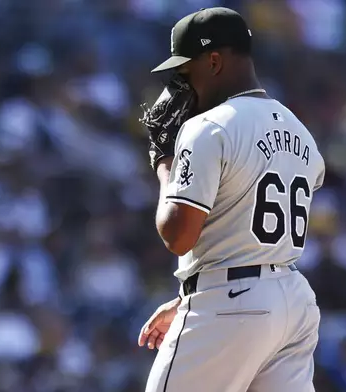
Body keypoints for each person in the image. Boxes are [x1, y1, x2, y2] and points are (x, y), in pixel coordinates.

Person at [137, 7, 325, 392]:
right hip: (291, 301)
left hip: (232, 302)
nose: (181, 85)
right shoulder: (299, 130)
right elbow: (242, 221)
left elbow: (178, 236)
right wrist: (191, 295)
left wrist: (163, 161)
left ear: (215, 60)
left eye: (185, 71)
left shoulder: (207, 127)